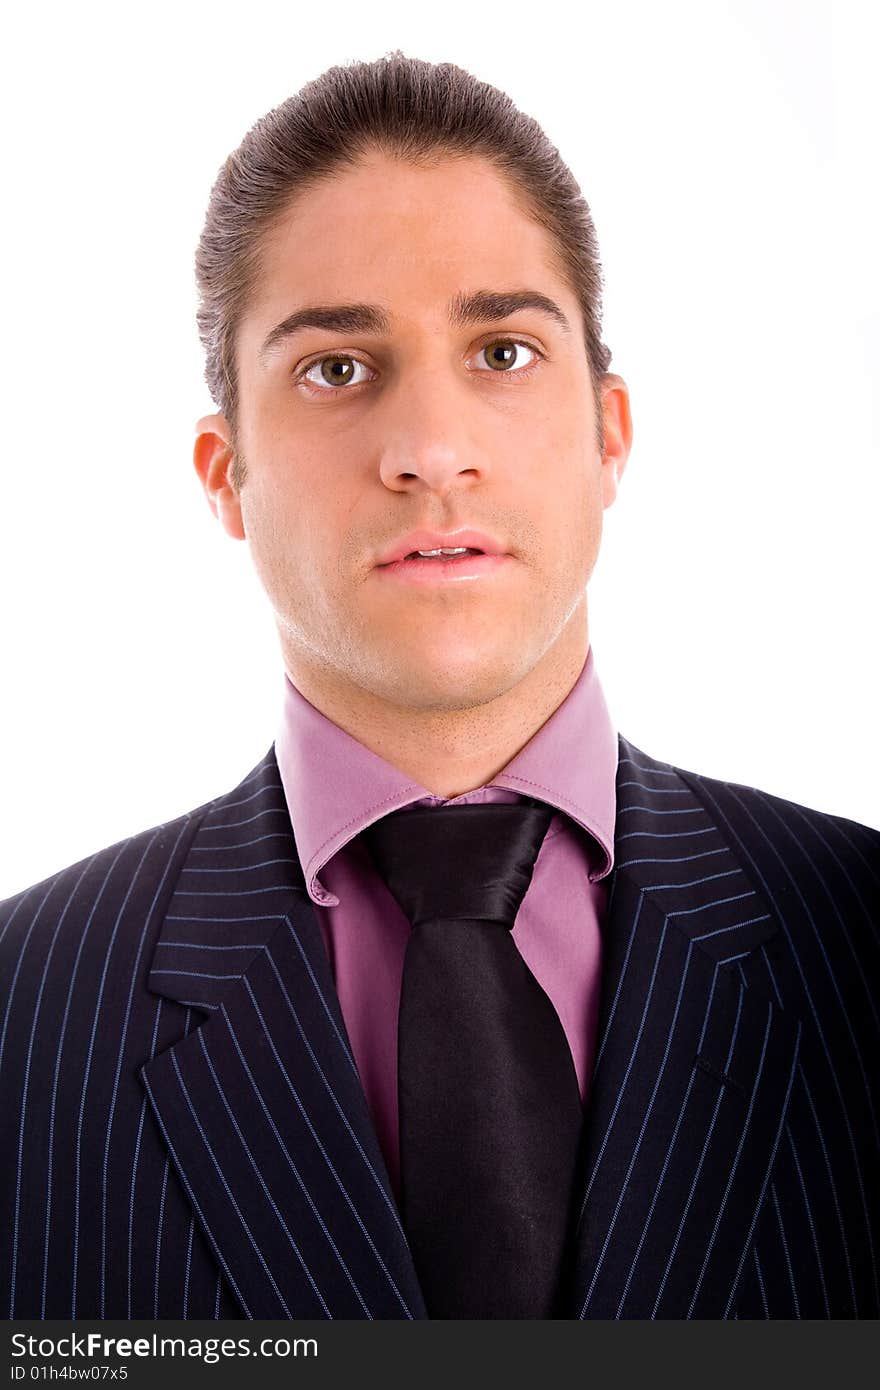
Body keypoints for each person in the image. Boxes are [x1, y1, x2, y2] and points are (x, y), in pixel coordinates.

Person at [1, 52, 877, 1323]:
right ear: (223, 474)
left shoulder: (856, 937)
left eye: (504, 350)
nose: (430, 452)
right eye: (337, 369)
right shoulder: (28, 1016)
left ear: (609, 432)